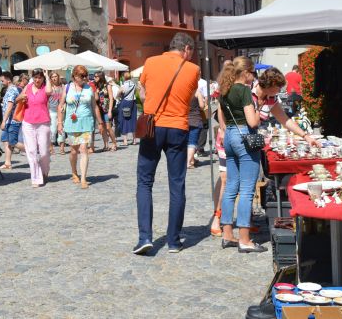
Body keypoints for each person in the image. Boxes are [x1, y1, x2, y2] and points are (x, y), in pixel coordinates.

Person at [218, 60, 318, 253]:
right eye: (278, 88)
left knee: (231, 187)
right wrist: (259, 108)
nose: (278, 93)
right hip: (244, 138)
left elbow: (285, 120)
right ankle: (245, 240)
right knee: (247, 190)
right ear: (270, 85)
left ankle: (228, 234)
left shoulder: (230, 88)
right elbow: (252, 122)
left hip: (231, 137)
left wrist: (306, 135)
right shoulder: (248, 91)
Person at [133, 33, 200, 255]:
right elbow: (190, 98)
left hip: (153, 126)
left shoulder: (150, 62)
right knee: (177, 184)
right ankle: (173, 241)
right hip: (178, 127)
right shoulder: (192, 69)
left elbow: (142, 92)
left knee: (144, 182)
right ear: (187, 49)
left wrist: (151, 103)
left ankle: (145, 237)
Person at [57, 65, 102, 189]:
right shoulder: (67, 88)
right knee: (73, 151)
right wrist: (59, 123)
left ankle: (83, 178)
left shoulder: (89, 89)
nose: (84, 78)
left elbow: (94, 106)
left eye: (85, 76)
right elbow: (60, 106)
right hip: (72, 124)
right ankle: (74, 171)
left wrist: (100, 123)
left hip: (87, 122)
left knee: (84, 149)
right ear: (74, 76)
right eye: (81, 76)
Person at [20, 69, 53, 187]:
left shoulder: (45, 87)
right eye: (35, 77)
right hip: (28, 122)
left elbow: (49, 91)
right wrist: (21, 98)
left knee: (44, 152)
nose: (37, 80)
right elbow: (18, 98)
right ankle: (36, 178)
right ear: (32, 77)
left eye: (40, 77)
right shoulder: (28, 87)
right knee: (31, 151)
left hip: (43, 122)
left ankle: (45, 171)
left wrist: (47, 76)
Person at [0, 73, 27, 169]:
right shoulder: (9, 90)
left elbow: (10, 107)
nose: (1, 82)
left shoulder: (12, 90)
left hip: (12, 120)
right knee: (6, 141)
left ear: (8, 80)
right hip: (8, 120)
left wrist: (3, 121)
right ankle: (8, 163)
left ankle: (32, 151)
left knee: (13, 142)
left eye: (2, 81)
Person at [186, 76, 207, 169]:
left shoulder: (184, 92)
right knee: (193, 142)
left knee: (187, 142)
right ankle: (188, 162)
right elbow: (202, 106)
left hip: (185, 120)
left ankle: (192, 160)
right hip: (196, 119)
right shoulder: (197, 91)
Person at [94, 71, 117, 152]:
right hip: (99, 110)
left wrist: (110, 110)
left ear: (101, 77)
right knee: (103, 129)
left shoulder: (107, 86)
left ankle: (114, 143)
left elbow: (111, 98)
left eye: (96, 76)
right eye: (94, 76)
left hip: (107, 110)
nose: (94, 78)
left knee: (108, 127)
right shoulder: (95, 87)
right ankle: (106, 145)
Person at [117, 72, 139, 145]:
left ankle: (125, 141)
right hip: (133, 103)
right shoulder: (133, 84)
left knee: (124, 120)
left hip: (125, 102)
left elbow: (119, 92)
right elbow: (135, 91)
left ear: (124, 77)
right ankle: (134, 140)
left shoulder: (123, 85)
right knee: (133, 120)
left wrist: (118, 96)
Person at [47, 71, 63, 154]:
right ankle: (51, 147)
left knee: (62, 130)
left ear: (58, 77)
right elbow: (46, 101)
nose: (54, 78)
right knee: (53, 130)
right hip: (52, 111)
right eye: (52, 77)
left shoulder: (62, 87)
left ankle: (62, 148)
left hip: (61, 110)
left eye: (55, 76)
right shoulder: (49, 88)